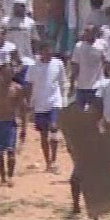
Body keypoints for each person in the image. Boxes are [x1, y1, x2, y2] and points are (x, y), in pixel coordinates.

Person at [29, 43, 66, 174]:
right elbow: (30, 84)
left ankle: (54, 160)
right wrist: (30, 103)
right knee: (43, 135)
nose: (49, 55)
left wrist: (63, 100)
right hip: (40, 104)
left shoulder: (58, 64)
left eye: (51, 52)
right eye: (46, 52)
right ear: (41, 52)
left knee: (54, 128)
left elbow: (62, 82)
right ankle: (48, 162)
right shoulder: (34, 66)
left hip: (54, 102)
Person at [0, 61, 22, 186]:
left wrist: (23, 127)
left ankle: (10, 177)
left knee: (11, 151)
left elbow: (22, 107)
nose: (7, 75)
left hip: (10, 122)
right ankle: (2, 177)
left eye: (10, 73)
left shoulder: (17, 88)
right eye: (5, 73)